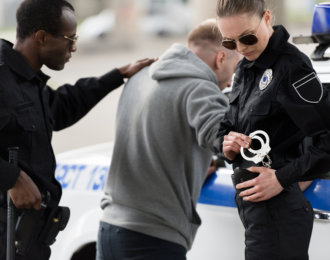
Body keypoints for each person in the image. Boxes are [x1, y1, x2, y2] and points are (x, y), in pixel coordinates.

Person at [0, 0, 155, 259]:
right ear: (42, 37)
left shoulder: (28, 80)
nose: (73, 47)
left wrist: (116, 75)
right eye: (69, 38)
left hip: (27, 237)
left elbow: (61, 107)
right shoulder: (2, 76)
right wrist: (12, 177)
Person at [97, 19, 241, 260]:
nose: (232, 80)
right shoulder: (199, 87)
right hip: (152, 238)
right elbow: (223, 138)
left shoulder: (141, 76)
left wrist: (190, 170)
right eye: (237, 65)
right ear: (220, 59)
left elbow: (154, 139)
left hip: (109, 228)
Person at [214, 0, 330, 259]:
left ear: (266, 18)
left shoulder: (292, 68)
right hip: (254, 211)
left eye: (247, 38)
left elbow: (326, 139)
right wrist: (226, 145)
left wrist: (281, 177)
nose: (241, 49)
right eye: (230, 43)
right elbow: (227, 125)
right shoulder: (245, 66)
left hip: (280, 214)